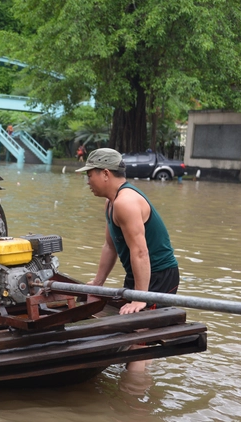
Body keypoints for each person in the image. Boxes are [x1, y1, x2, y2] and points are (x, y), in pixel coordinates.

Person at [76, 148, 179, 372]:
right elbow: (110, 246)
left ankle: (134, 399)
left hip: (158, 274)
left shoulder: (126, 202)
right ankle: (135, 388)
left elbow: (141, 252)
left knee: (138, 339)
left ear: (105, 173)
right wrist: (98, 283)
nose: (88, 181)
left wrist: (140, 298)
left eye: (89, 174)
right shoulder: (111, 203)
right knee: (134, 334)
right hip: (139, 273)